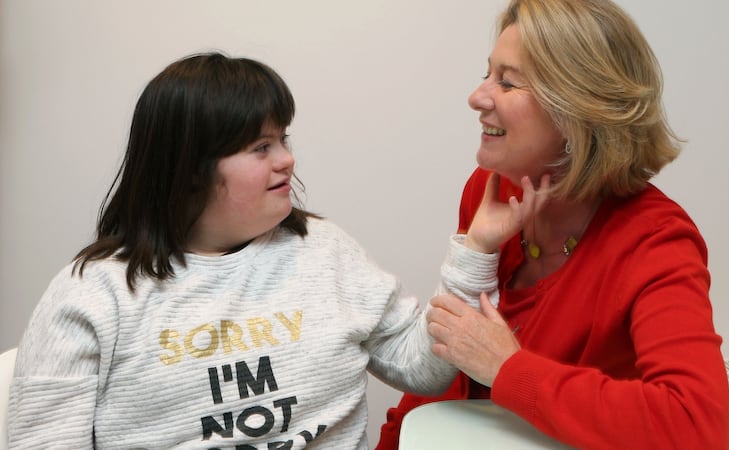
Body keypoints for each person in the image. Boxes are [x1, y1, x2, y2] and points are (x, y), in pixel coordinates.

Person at [7, 52, 525, 449]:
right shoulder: (93, 294)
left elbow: (424, 369)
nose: (287, 160)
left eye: (283, 139)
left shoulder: (325, 252)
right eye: (260, 148)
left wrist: (477, 248)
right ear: (190, 168)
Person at [376, 0, 729, 449]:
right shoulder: (489, 192)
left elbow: (694, 427)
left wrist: (509, 369)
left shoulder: (655, 241)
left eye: (507, 82)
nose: (477, 97)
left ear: (578, 108)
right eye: (486, 74)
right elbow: (455, 353)